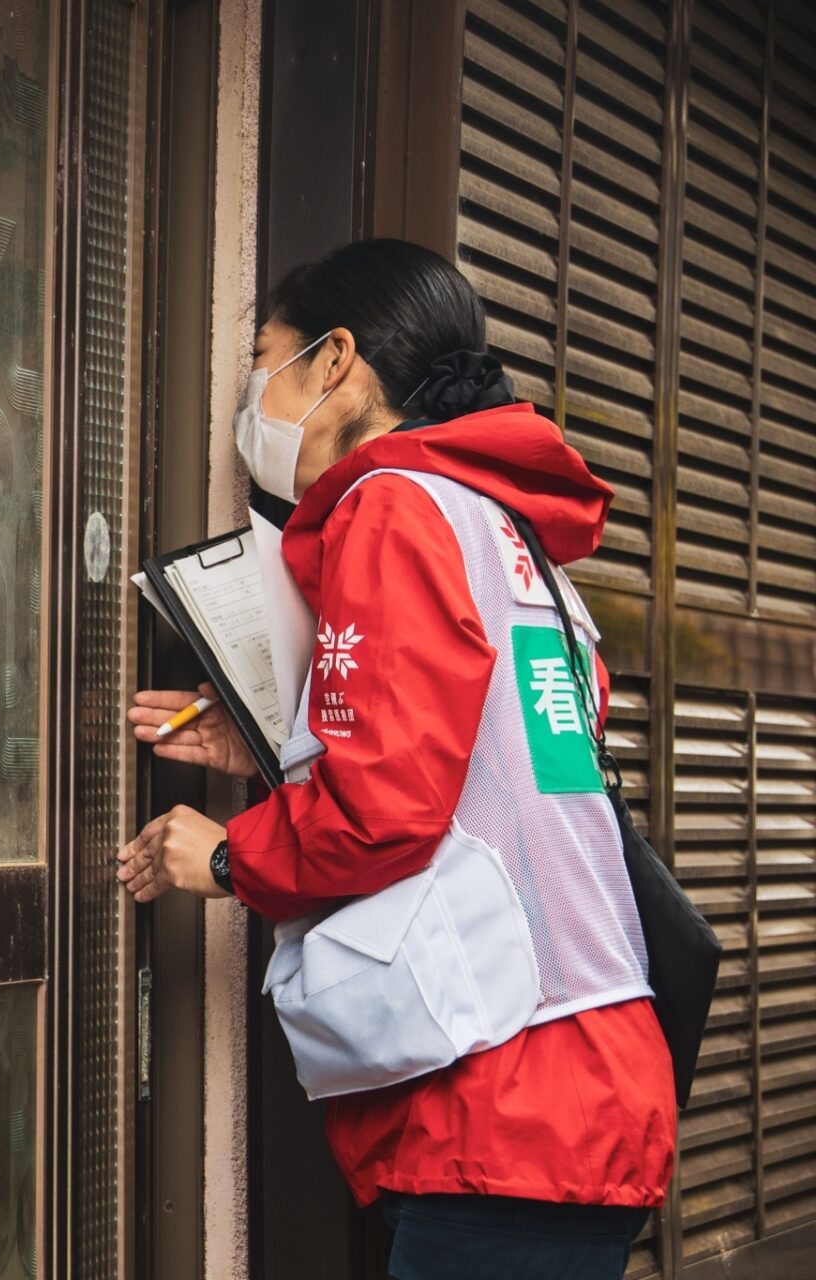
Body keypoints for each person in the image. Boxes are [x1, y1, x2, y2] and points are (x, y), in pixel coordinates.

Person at [118, 240, 677, 1279]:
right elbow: (495, 779)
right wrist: (284, 754)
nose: (253, 391)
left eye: (263, 356)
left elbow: (386, 811)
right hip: (586, 1069)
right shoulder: (506, 532)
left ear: (335, 361)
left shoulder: (392, 507)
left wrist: (230, 857)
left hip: (501, 1100)